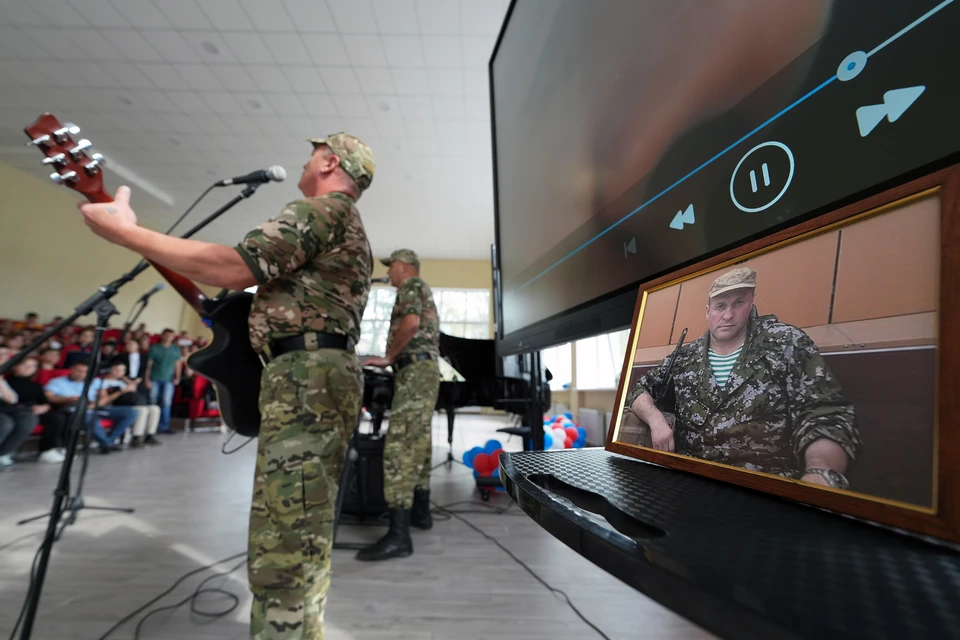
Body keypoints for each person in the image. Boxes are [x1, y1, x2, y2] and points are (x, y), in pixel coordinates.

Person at [77, 132, 376, 639]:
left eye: (311, 154)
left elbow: (234, 268)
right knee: (300, 528)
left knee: (283, 540)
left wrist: (126, 235)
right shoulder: (342, 224)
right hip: (315, 373)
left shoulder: (320, 212)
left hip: (305, 377)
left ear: (329, 161)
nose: (303, 161)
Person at [627, 267, 861, 490]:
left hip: (764, 484)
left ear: (751, 303)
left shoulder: (785, 343)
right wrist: (656, 421)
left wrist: (820, 473)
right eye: (720, 306)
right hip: (692, 479)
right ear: (708, 311)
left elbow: (826, 415)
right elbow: (639, 390)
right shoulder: (685, 357)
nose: (728, 315)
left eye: (738, 303)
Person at [359, 249, 441, 561]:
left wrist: (388, 357)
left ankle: (398, 535)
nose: (389, 273)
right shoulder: (420, 288)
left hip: (414, 369)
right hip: (422, 371)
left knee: (401, 445)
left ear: (404, 266)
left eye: (391, 267)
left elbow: (410, 324)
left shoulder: (411, 286)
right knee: (418, 440)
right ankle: (420, 513)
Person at [44, 360, 138, 454]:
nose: (81, 374)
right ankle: (107, 443)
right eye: (78, 370)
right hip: (74, 409)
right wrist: (67, 399)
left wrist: (94, 405)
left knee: (132, 412)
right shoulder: (57, 382)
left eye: (85, 371)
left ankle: (109, 442)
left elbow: (105, 399)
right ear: (71, 369)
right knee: (89, 418)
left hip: (96, 407)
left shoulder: (95, 382)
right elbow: (49, 397)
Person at [7, 357, 67, 463]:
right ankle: (8, 450)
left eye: (33, 366)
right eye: (25, 365)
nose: (29, 368)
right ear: (15, 367)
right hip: (17, 411)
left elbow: (45, 401)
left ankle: (48, 450)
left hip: (36, 410)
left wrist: (44, 407)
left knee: (57, 417)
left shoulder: (35, 384)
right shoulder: (7, 383)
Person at [92, 361, 161, 448]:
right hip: (114, 405)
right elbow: (105, 400)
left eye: (122, 371)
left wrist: (129, 384)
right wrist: (122, 391)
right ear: (110, 370)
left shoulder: (122, 382)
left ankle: (150, 435)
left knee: (155, 408)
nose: (119, 373)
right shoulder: (101, 381)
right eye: (116, 370)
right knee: (142, 410)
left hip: (128, 403)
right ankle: (136, 437)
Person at [145, 329, 182, 433]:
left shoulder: (175, 349)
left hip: (168, 380)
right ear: (162, 336)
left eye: (171, 336)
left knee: (166, 403)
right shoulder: (154, 348)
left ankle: (164, 426)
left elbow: (177, 365)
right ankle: (150, 426)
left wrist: (177, 377)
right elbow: (149, 365)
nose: (169, 338)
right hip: (154, 378)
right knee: (153, 402)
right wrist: (147, 379)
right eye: (167, 335)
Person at [0, 376, 38, 469]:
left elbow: (12, 399)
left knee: (27, 419)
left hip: (4, 407)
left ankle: (3, 454)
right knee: (5, 423)